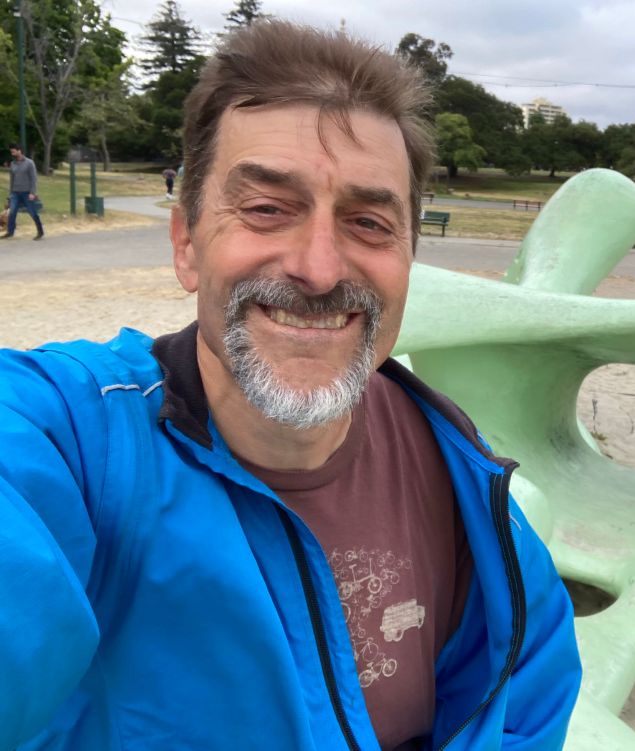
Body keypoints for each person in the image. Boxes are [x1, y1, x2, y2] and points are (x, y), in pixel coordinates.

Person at [0, 20, 581, 751]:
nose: (319, 267)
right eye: (268, 208)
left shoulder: (460, 470)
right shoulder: (71, 439)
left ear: (409, 256)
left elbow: (527, 699)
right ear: (186, 243)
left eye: (369, 222)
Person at [2, 143, 44, 240]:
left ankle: (40, 232)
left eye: (13, 151)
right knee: (12, 212)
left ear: (19, 151)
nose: (12, 153)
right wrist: (10, 194)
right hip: (15, 193)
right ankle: (10, 232)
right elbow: (12, 180)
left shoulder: (29, 163)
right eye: (11, 151)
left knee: (32, 212)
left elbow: (34, 179)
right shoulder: (13, 164)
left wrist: (32, 193)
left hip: (26, 193)